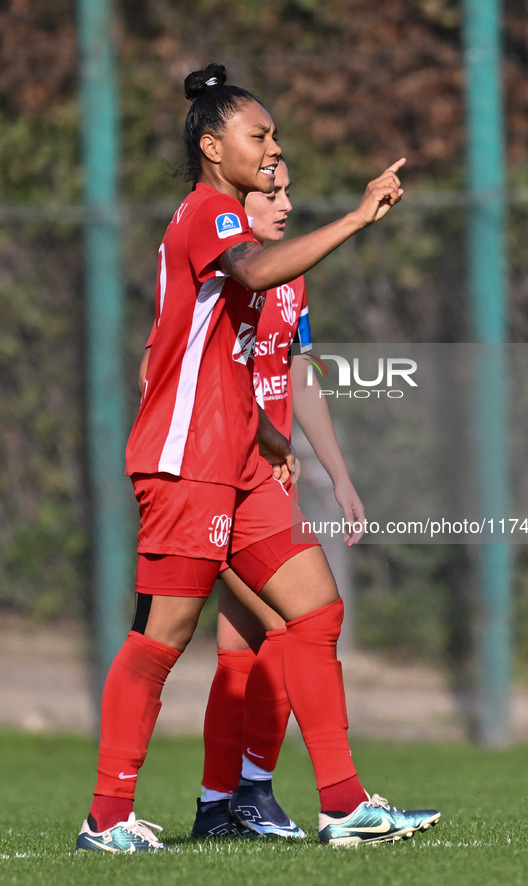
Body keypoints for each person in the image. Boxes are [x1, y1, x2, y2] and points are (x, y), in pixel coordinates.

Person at [76, 62, 439, 854]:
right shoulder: (208, 213)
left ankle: (342, 805)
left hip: (239, 460)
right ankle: (106, 818)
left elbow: (231, 356)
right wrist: (354, 219)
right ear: (214, 147)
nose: (272, 150)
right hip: (187, 462)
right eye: (259, 136)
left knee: (315, 609)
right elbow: (246, 280)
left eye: (274, 137)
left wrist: (275, 443)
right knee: (159, 641)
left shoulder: (234, 225)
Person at [190, 157, 366, 840]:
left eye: (289, 188)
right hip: (223, 477)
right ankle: (263, 792)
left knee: (243, 650)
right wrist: (260, 442)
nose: (285, 201)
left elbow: (299, 376)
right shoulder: (224, 273)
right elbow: (164, 367)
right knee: (300, 624)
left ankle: (217, 806)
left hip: (265, 480)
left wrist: (338, 473)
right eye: (271, 190)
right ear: (237, 201)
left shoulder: (288, 279)